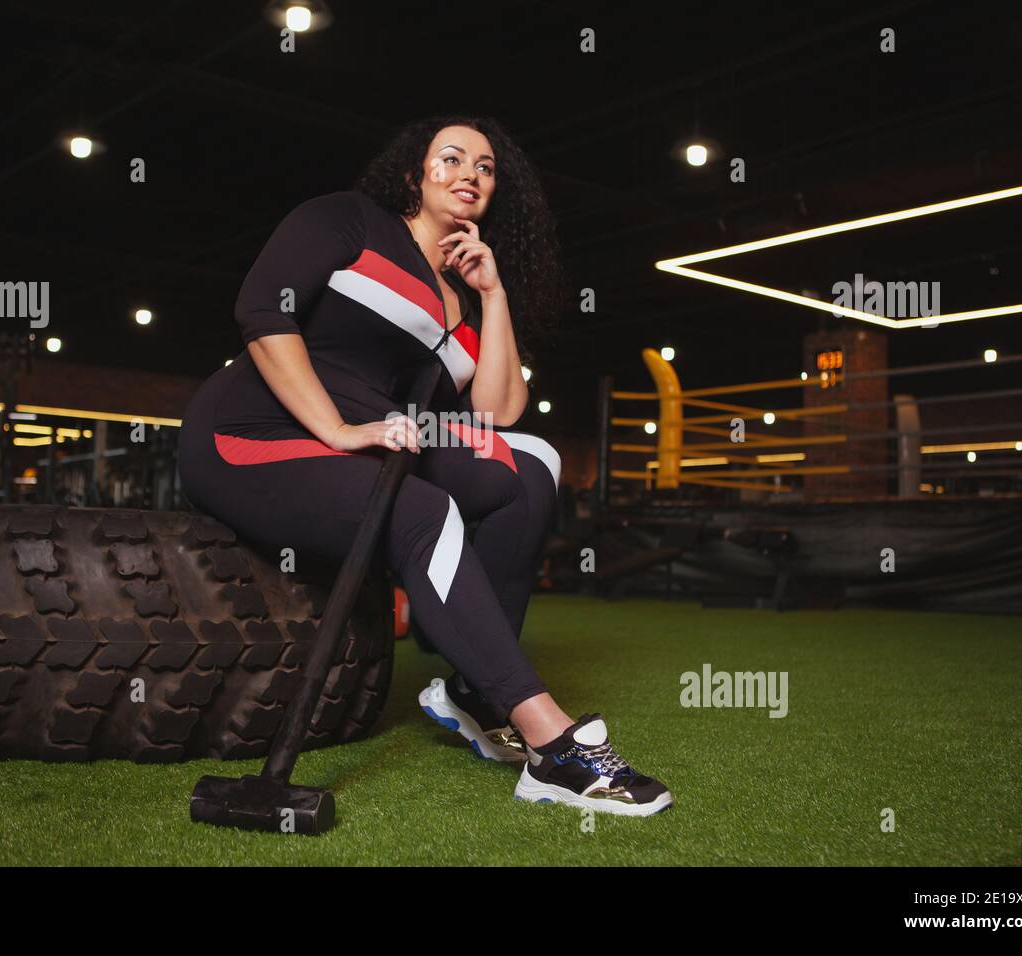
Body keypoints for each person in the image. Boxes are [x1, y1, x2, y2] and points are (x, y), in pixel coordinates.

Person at [177, 115, 672, 815]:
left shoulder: (466, 291)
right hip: (256, 432)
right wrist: (338, 427)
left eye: (486, 167)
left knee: (528, 466)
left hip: (375, 436)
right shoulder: (347, 220)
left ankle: (473, 690)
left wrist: (493, 294)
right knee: (423, 510)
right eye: (451, 157)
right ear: (415, 172)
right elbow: (263, 310)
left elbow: (498, 411)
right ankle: (551, 743)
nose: (469, 172)